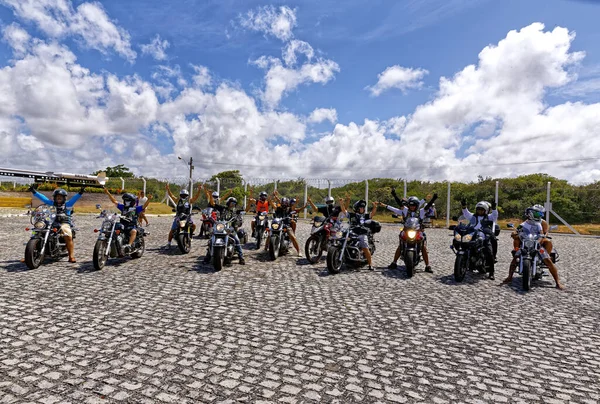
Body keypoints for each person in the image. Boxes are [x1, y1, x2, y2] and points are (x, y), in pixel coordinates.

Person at [502, 205, 564, 289]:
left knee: (548, 261)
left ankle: (558, 282)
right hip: (527, 243)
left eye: (540, 214)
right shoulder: (524, 223)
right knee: (515, 257)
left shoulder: (540, 224)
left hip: (537, 245)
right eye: (537, 214)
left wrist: (540, 239)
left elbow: (542, 233)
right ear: (531, 214)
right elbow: (518, 229)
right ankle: (509, 277)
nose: (540, 216)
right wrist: (514, 233)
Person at [380, 193, 437, 272]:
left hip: (417, 231)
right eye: (410, 205)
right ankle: (394, 262)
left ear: (416, 205)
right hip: (406, 230)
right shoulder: (405, 210)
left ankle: (427, 265)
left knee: (423, 247)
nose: (412, 207)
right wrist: (394, 195)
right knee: (400, 244)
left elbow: (427, 206)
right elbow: (398, 205)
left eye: (414, 205)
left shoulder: (421, 211)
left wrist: (434, 199)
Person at [29, 184, 85, 263]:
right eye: (57, 196)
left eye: (61, 197)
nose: (59, 198)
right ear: (54, 197)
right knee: (37, 230)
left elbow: (74, 198)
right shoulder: (51, 203)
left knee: (67, 233)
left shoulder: (68, 204)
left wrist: (80, 192)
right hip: (51, 222)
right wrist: (33, 191)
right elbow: (43, 198)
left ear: (64, 198)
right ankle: (30, 254)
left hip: (64, 222)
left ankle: (71, 256)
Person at [104, 189, 152, 255]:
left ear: (132, 201)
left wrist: (148, 199)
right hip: (122, 224)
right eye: (126, 200)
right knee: (112, 227)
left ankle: (129, 245)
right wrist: (107, 193)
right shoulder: (123, 207)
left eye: (128, 201)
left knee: (133, 231)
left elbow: (144, 206)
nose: (127, 202)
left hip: (131, 225)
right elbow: (114, 201)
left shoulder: (136, 208)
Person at [203, 193, 245, 265]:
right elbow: (213, 204)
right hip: (221, 227)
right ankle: (208, 257)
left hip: (230, 228)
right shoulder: (222, 208)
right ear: (228, 203)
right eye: (232, 203)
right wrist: (210, 195)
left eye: (234, 203)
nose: (233, 205)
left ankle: (241, 258)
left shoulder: (235, 211)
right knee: (211, 240)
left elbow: (243, 212)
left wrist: (238, 220)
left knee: (237, 240)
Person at [460, 199, 497, 280]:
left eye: (482, 210)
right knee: (463, 243)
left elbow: (495, 216)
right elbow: (466, 213)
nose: (479, 211)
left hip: (483, 237)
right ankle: (466, 260)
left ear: (486, 210)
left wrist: (494, 208)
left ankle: (491, 272)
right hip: (472, 235)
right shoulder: (473, 216)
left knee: (489, 252)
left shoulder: (489, 217)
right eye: (478, 209)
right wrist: (464, 206)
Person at [340, 199, 378, 270]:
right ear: (357, 208)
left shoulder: (365, 216)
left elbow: (372, 214)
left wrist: (375, 207)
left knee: (364, 246)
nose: (362, 209)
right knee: (342, 240)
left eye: (363, 207)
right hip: (352, 232)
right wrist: (341, 204)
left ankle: (370, 264)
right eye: (361, 207)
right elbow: (344, 211)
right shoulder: (352, 215)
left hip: (362, 233)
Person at [165, 183, 203, 248]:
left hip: (187, 216)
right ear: (180, 195)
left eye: (185, 195)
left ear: (187, 195)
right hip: (178, 217)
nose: (183, 196)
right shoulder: (178, 200)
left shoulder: (189, 200)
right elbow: (171, 195)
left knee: (193, 226)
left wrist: (199, 190)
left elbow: (195, 197)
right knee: (173, 229)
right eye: (182, 195)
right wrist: (168, 189)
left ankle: (190, 235)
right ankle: (168, 243)